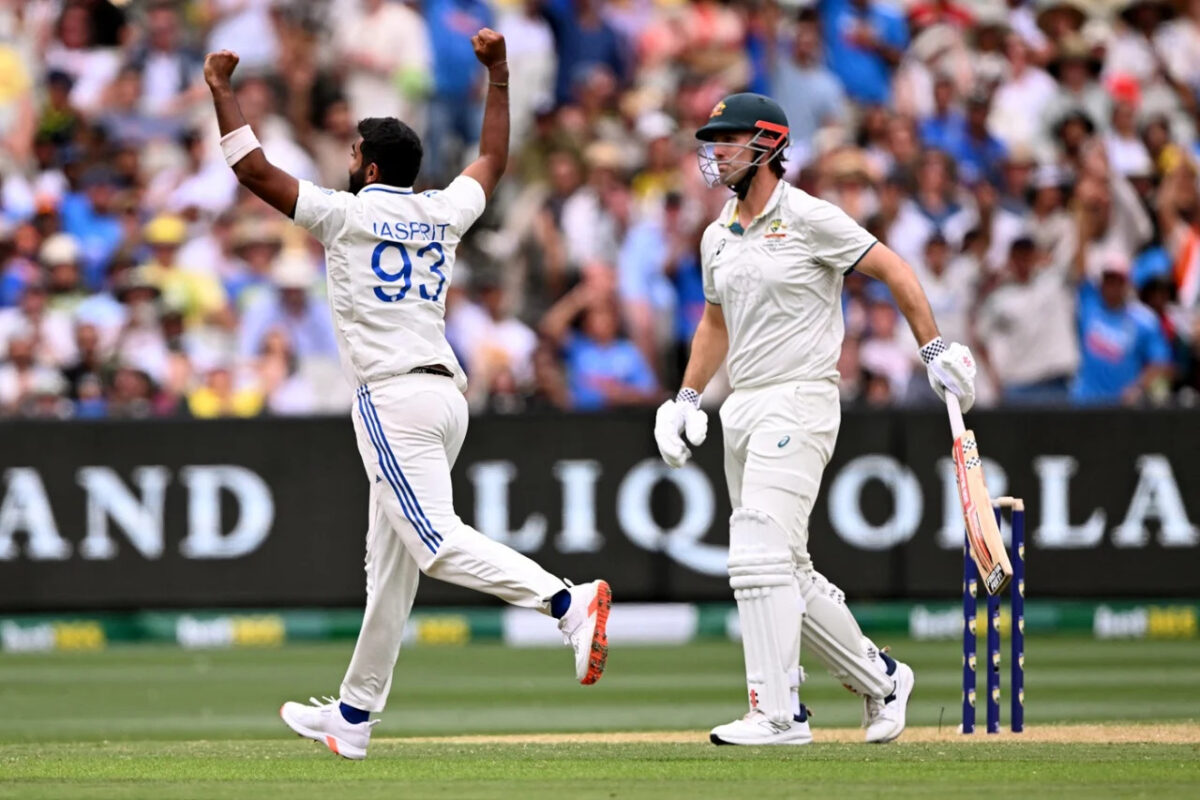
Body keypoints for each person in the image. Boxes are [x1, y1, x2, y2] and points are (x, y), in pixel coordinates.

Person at [202, 29, 610, 761]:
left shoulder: (344, 214)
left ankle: (565, 601)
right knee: (387, 569)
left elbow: (255, 172)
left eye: (355, 153)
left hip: (392, 398)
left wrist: (221, 90)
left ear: (372, 167)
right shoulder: (440, 213)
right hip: (444, 397)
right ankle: (355, 713)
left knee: (430, 543)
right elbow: (492, 158)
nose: (347, 161)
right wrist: (501, 77)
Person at [654, 93, 976, 746]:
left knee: (755, 550)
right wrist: (685, 398)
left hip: (800, 399)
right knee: (785, 570)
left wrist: (933, 347)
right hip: (741, 406)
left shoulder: (809, 218)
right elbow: (714, 324)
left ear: (767, 145)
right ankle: (883, 678)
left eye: (728, 139)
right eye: (711, 140)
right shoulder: (717, 234)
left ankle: (778, 713)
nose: (714, 152)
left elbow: (893, 268)